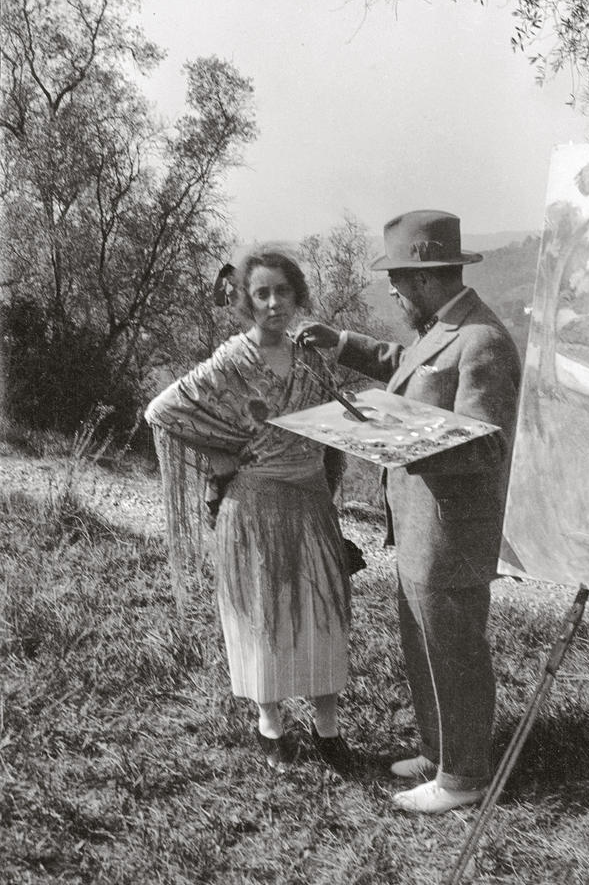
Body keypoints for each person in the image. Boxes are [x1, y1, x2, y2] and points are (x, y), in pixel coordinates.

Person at [295, 210, 521, 814]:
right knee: (422, 642)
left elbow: (489, 444)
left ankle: (465, 776)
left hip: (451, 532)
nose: (393, 292)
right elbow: (410, 366)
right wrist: (342, 345)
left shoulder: (485, 341)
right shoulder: (445, 327)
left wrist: (402, 441)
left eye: (397, 281)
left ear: (422, 280)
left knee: (453, 650)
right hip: (422, 526)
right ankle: (438, 749)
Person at [145, 248, 353, 774]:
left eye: (282, 291)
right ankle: (271, 727)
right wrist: (223, 450)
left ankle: (327, 731)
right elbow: (164, 409)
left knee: (322, 615)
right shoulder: (232, 361)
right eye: (261, 293)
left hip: (311, 502)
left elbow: (336, 429)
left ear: (297, 295)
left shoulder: (311, 358)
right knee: (264, 617)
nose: (273, 303)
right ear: (246, 301)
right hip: (255, 504)